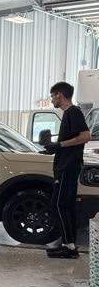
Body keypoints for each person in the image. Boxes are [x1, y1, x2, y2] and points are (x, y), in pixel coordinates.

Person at [42, 81, 92, 259]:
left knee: (60, 204)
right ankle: (67, 244)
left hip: (69, 166)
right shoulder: (68, 114)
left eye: (52, 96)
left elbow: (85, 136)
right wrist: (53, 147)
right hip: (66, 166)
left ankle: (69, 246)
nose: (51, 100)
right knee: (65, 204)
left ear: (59, 95)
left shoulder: (73, 112)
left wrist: (60, 145)